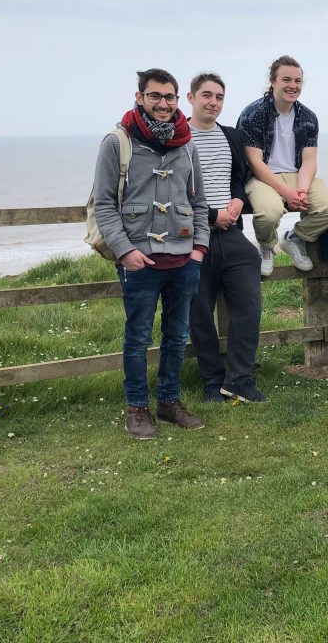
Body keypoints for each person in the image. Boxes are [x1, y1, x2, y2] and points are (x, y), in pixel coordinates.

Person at [91, 68, 209, 439]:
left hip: (184, 258)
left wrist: (199, 249)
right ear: (139, 97)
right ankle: (137, 409)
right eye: (155, 96)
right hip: (138, 260)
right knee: (137, 337)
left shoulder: (187, 143)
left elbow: (200, 201)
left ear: (178, 100)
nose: (163, 104)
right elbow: (104, 205)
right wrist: (124, 251)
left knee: (177, 336)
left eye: (169, 97)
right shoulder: (117, 142)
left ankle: (170, 402)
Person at [185, 73, 266, 404]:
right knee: (199, 312)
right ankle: (211, 381)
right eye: (206, 95)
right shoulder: (179, 139)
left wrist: (237, 200)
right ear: (190, 98)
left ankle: (239, 379)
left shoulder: (230, 135)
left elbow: (238, 177)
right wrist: (209, 215)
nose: (213, 102)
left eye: (219, 97)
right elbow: (173, 192)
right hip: (191, 237)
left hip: (231, 234)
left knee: (248, 305)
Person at [237, 55, 328, 276]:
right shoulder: (253, 114)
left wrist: (301, 191)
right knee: (269, 214)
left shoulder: (308, 117)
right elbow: (255, 162)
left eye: (297, 81)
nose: (292, 86)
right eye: (286, 79)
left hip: (297, 174)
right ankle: (267, 245)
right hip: (262, 176)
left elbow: (309, 160)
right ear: (273, 81)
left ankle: (295, 237)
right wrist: (286, 192)